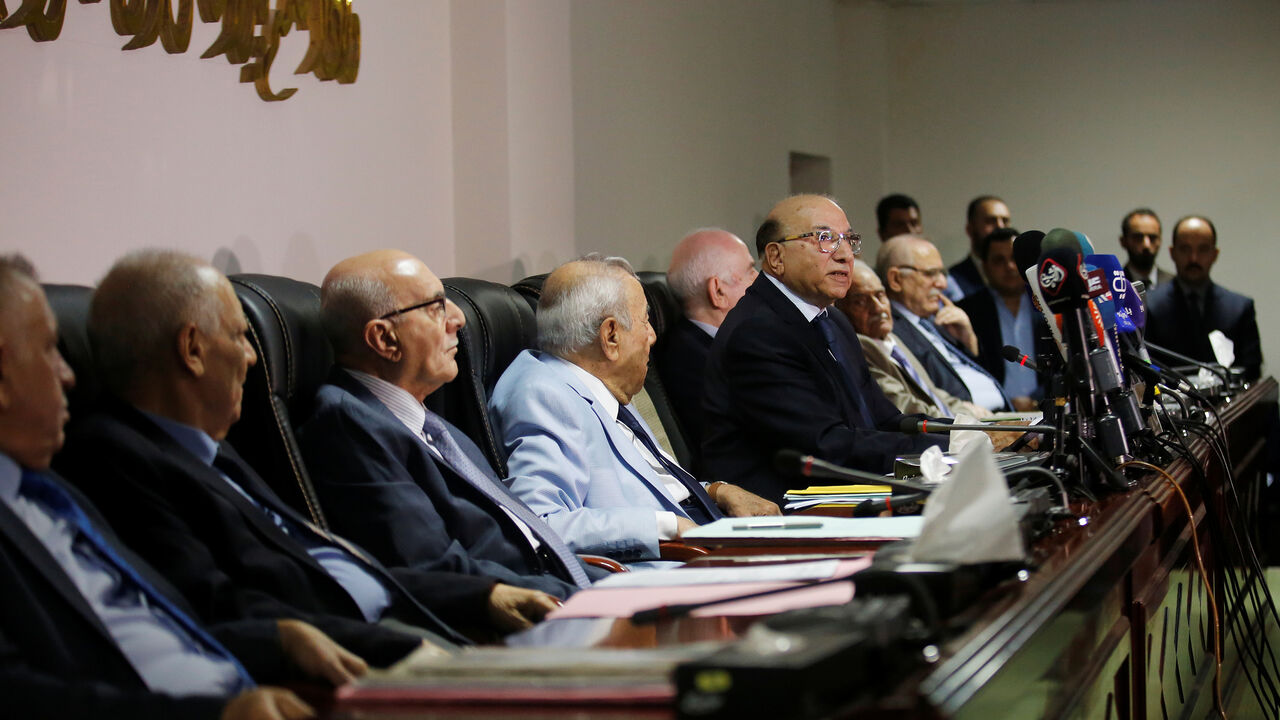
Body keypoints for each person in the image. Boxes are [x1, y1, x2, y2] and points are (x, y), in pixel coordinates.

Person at [58, 250, 559, 649]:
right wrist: (396, 644)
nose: (254, 357)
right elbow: (224, 607)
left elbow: (352, 570)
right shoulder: (121, 458)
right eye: (238, 337)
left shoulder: (214, 452)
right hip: (362, 647)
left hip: (407, 620)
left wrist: (485, 594)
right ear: (191, 349)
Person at [0, 254, 371, 720]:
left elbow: (173, 620)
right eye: (50, 349)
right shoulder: (107, 458)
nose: (69, 374)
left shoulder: (51, 493)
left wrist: (278, 638)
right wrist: (217, 713)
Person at [297, 250, 591, 599]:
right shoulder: (346, 424)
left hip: (566, 586)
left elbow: (529, 541)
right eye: (436, 306)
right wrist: (584, 599)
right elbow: (435, 567)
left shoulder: (439, 430)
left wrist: (611, 588)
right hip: (518, 617)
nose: (458, 318)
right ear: (384, 339)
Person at [489, 255, 778, 564]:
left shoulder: (603, 385)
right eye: (645, 321)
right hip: (671, 568)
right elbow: (541, 521)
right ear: (610, 336)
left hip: (708, 538)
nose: (652, 335)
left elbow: (648, 483)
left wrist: (716, 492)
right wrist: (665, 526)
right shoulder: (543, 394)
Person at [700, 195, 945, 505]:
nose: (845, 255)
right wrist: (948, 448)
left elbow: (884, 420)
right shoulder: (758, 332)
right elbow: (824, 446)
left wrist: (969, 436)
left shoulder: (833, 320)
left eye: (849, 240)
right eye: (825, 239)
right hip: (789, 509)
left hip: (852, 487)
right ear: (776, 257)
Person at [835, 260, 988, 418]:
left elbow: (932, 392)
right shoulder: (859, 348)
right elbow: (903, 406)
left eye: (880, 295)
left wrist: (971, 413)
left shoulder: (892, 339)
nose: (878, 307)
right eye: (860, 302)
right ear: (841, 311)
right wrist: (965, 421)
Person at [879, 235, 1011, 412]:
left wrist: (968, 341)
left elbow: (988, 377)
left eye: (942, 273)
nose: (942, 283)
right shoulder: (889, 328)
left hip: (998, 418)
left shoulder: (936, 323)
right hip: (963, 426)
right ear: (896, 280)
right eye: (930, 273)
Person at [658, 229, 757, 450]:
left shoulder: (717, 348)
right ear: (718, 291)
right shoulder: (694, 361)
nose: (759, 280)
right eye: (750, 271)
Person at [1143, 215, 1262, 381]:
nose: (1194, 258)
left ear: (1215, 254)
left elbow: (1252, 373)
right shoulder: (1148, 306)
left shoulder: (1239, 308)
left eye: (1203, 249)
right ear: (1172, 252)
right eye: (1185, 249)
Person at [956, 228, 1045, 410]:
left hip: (1048, 408)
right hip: (992, 414)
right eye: (999, 260)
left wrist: (1037, 400)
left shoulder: (1048, 304)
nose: (1010, 267)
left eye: (1014, 259)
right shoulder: (967, 311)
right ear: (985, 266)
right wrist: (1006, 403)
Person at [947, 195, 1011, 301]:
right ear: (970, 229)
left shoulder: (1022, 273)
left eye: (1005, 221)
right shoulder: (953, 279)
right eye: (990, 221)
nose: (1000, 226)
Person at [1119, 208, 1174, 290]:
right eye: (1138, 238)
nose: (1146, 245)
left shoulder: (1173, 285)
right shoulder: (1114, 286)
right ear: (1123, 241)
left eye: (1152, 238)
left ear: (1160, 240)